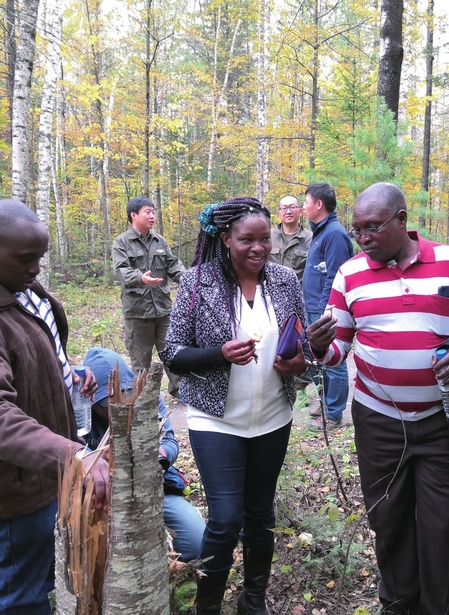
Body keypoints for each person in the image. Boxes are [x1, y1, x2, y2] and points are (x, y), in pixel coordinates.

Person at [0, 199, 110, 615]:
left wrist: (67, 370)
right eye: (28, 259)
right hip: (12, 480)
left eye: (40, 259)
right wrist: (74, 455)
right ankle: (0, 602)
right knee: (22, 593)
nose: (35, 270)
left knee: (29, 567)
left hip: (41, 468)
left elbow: (30, 347)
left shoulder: (10, 284)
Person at [306, 182, 449, 615]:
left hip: (441, 418)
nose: (362, 238)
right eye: (358, 229)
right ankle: (399, 605)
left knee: (443, 524)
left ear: (401, 220)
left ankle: (447, 608)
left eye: (372, 228)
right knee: (388, 519)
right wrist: (322, 346)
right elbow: (339, 345)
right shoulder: (350, 274)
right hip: (379, 419)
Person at [159, 197, 308, 615]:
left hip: (273, 417)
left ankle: (252, 600)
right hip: (215, 419)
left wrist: (301, 361)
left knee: (260, 514)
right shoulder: (197, 281)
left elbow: (301, 342)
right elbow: (172, 352)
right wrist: (219, 353)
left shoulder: (283, 280)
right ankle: (207, 606)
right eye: (247, 240)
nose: (259, 248)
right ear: (225, 239)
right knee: (225, 520)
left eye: (265, 239)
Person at [81, 346, 205, 562]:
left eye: (124, 397)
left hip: (152, 488)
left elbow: (169, 440)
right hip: (99, 498)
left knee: (196, 542)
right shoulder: (77, 414)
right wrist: (100, 459)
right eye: (107, 405)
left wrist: (161, 453)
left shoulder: (146, 398)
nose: (118, 408)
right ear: (91, 400)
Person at [112, 196, 185, 398]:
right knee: (140, 360)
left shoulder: (159, 240)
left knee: (172, 352)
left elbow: (173, 264)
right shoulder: (121, 242)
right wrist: (140, 278)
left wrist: (188, 279)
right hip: (137, 311)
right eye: (147, 212)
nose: (152, 215)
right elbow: (120, 270)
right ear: (133, 215)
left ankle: (180, 392)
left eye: (153, 212)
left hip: (163, 309)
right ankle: (143, 400)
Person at [302, 182, 354, 428]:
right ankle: (325, 402)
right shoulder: (320, 232)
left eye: (305, 202)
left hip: (324, 310)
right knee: (313, 357)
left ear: (318, 204)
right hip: (311, 307)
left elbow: (336, 276)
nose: (303, 207)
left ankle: (334, 414)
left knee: (334, 362)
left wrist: (326, 311)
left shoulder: (334, 233)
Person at [269, 195, 312, 281]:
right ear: (278, 214)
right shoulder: (268, 237)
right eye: (284, 208)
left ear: (300, 211)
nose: (288, 211)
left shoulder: (311, 239)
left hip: (299, 292)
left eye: (292, 207)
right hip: (272, 291)